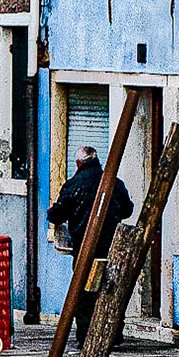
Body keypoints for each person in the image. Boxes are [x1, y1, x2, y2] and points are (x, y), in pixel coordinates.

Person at [47, 145, 134, 344]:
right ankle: (113, 334)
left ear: (78, 163)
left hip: (84, 247)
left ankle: (85, 335)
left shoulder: (73, 185)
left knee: (84, 292)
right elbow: (127, 210)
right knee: (111, 289)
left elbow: (58, 214)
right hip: (111, 246)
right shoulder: (115, 183)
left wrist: (51, 212)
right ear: (97, 161)